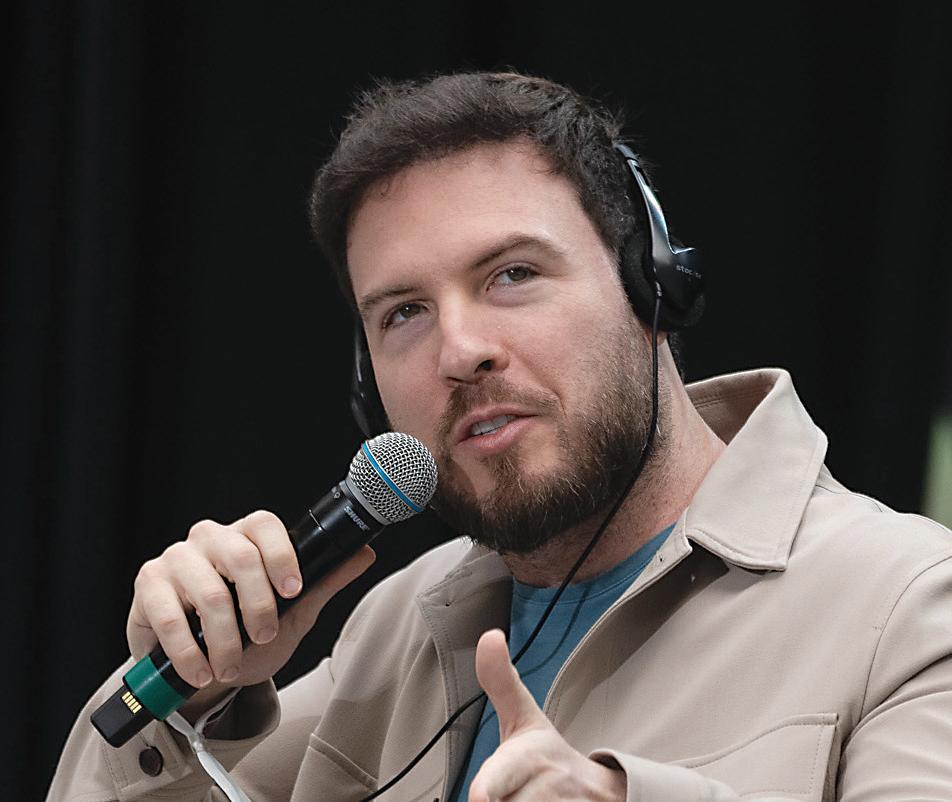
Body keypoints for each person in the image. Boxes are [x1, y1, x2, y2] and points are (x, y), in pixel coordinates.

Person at [48, 72, 952, 802]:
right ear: (368, 387)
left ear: (651, 286)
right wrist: (185, 692)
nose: (459, 351)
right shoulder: (398, 628)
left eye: (512, 274)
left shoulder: (909, 610)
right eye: (404, 313)